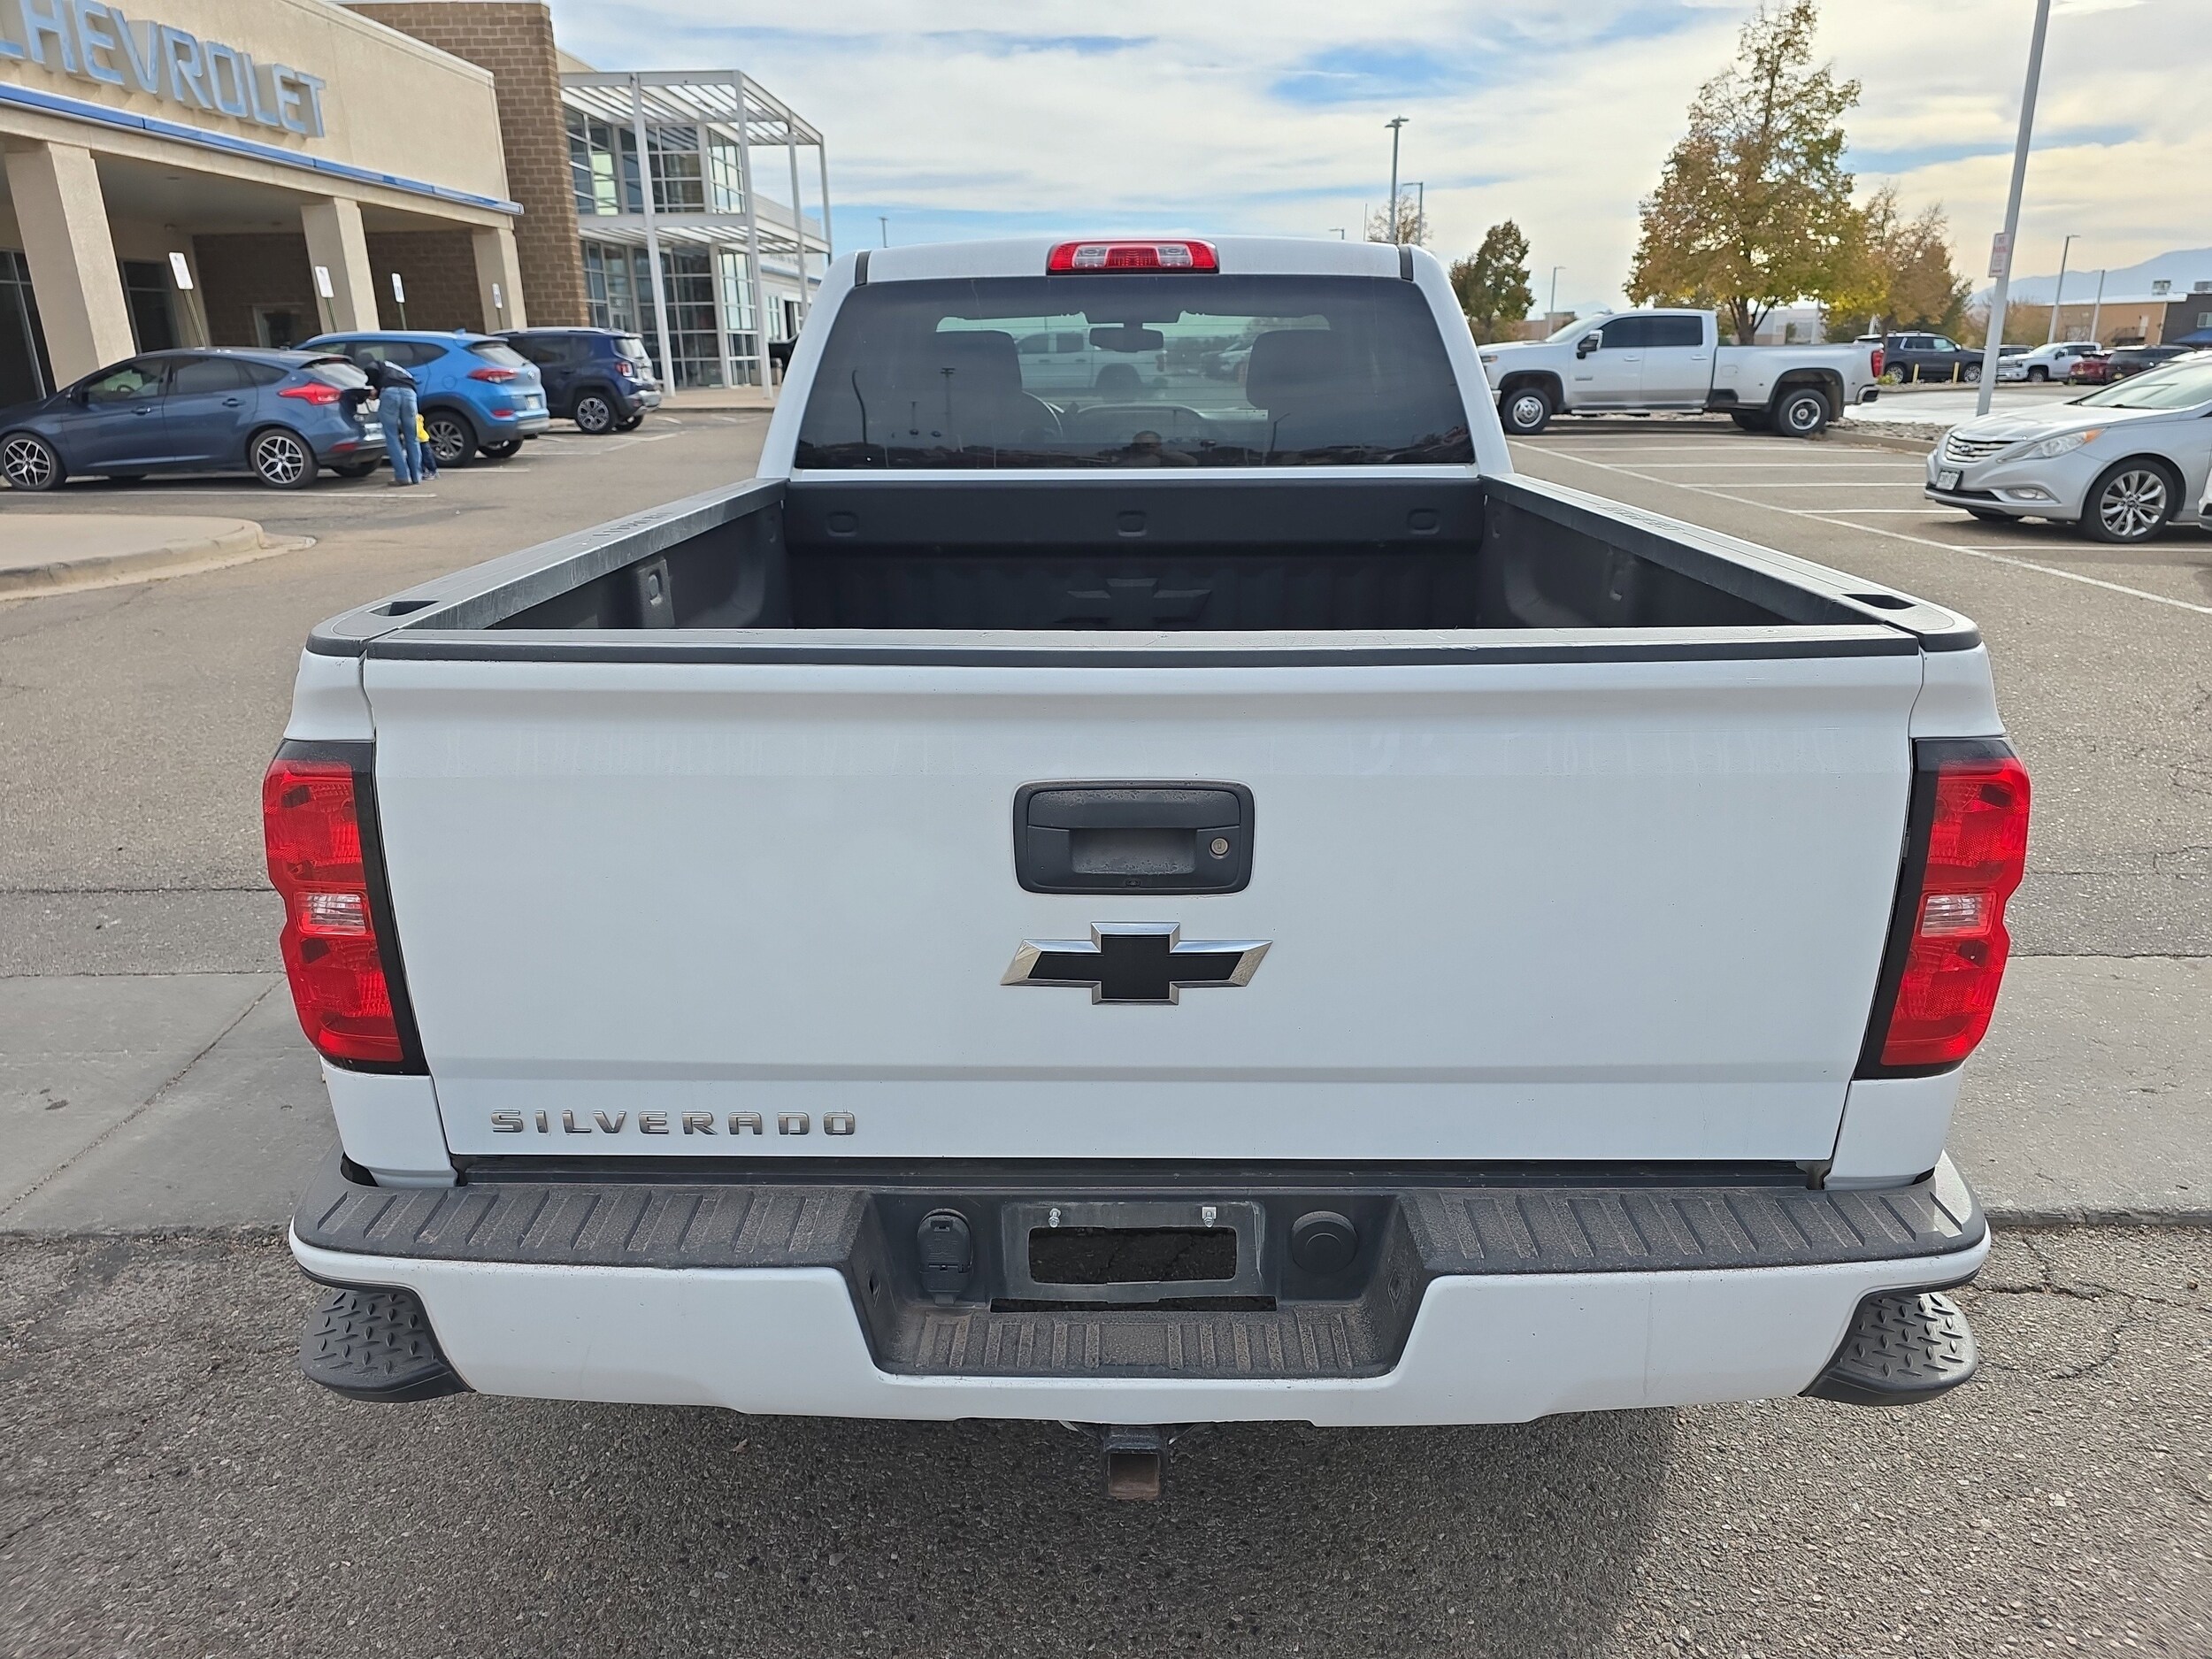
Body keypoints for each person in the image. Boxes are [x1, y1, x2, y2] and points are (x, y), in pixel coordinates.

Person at [365, 353, 421, 486]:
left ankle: (402, 476)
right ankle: (416, 476)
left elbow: (371, 369)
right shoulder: (398, 368)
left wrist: (374, 388)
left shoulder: (377, 363)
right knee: (412, 438)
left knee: (392, 436)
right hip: (410, 394)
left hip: (390, 393)